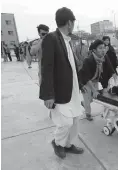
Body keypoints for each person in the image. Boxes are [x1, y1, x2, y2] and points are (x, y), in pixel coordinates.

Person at [39, 7, 84, 159]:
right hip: (60, 91)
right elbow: (46, 68)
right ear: (69, 23)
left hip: (73, 89)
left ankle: (68, 145)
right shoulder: (51, 39)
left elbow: (71, 65)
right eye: (73, 22)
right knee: (65, 122)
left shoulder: (67, 40)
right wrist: (48, 95)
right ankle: (58, 143)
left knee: (76, 119)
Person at [78, 39, 116, 121]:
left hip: (95, 79)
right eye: (100, 48)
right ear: (94, 50)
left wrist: (115, 76)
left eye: (103, 48)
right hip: (85, 81)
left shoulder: (105, 57)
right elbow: (86, 77)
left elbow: (110, 69)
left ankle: (83, 103)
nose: (103, 50)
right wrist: (94, 90)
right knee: (88, 98)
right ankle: (88, 114)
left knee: (93, 98)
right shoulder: (88, 60)